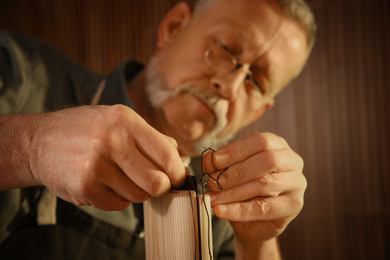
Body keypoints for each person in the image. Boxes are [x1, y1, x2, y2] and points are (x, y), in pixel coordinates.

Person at [0, 0, 316, 259]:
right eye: (227, 50)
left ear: (259, 110)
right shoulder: (20, 74)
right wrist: (31, 146)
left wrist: (259, 242)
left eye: (256, 81)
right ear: (174, 27)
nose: (229, 87)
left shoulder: (228, 204)